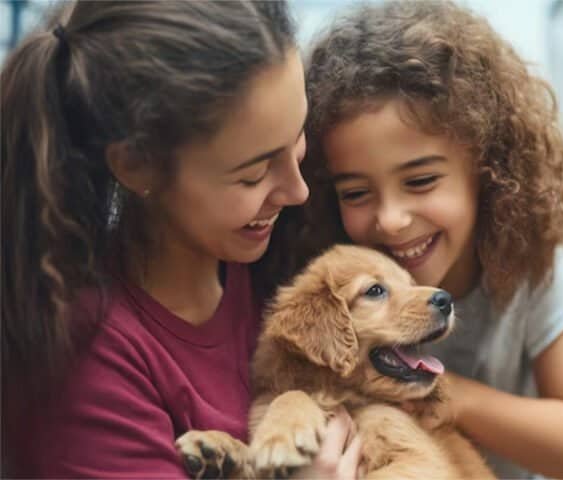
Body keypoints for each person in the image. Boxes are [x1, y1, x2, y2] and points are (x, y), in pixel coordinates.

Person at [1, 1, 360, 478]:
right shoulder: (85, 366)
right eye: (253, 174)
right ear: (135, 165)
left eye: (297, 137)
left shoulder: (280, 252)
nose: (299, 191)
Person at [297, 1, 563, 477]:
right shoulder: (333, 285)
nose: (390, 220)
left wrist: (448, 395)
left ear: (486, 169)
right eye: (357, 192)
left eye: (421, 181)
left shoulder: (529, 262)